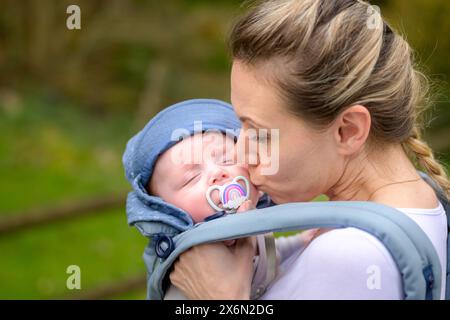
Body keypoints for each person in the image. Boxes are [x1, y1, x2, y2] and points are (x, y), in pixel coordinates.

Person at [169, 0, 449, 299]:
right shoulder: (422, 199)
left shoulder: (350, 257)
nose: (239, 154)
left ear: (348, 130)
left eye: (261, 134)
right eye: (241, 125)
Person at [122, 99, 316, 299]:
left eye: (227, 159)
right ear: (164, 211)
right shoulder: (190, 269)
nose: (218, 172)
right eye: (192, 178)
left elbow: (271, 253)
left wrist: (300, 241)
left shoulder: (255, 224)